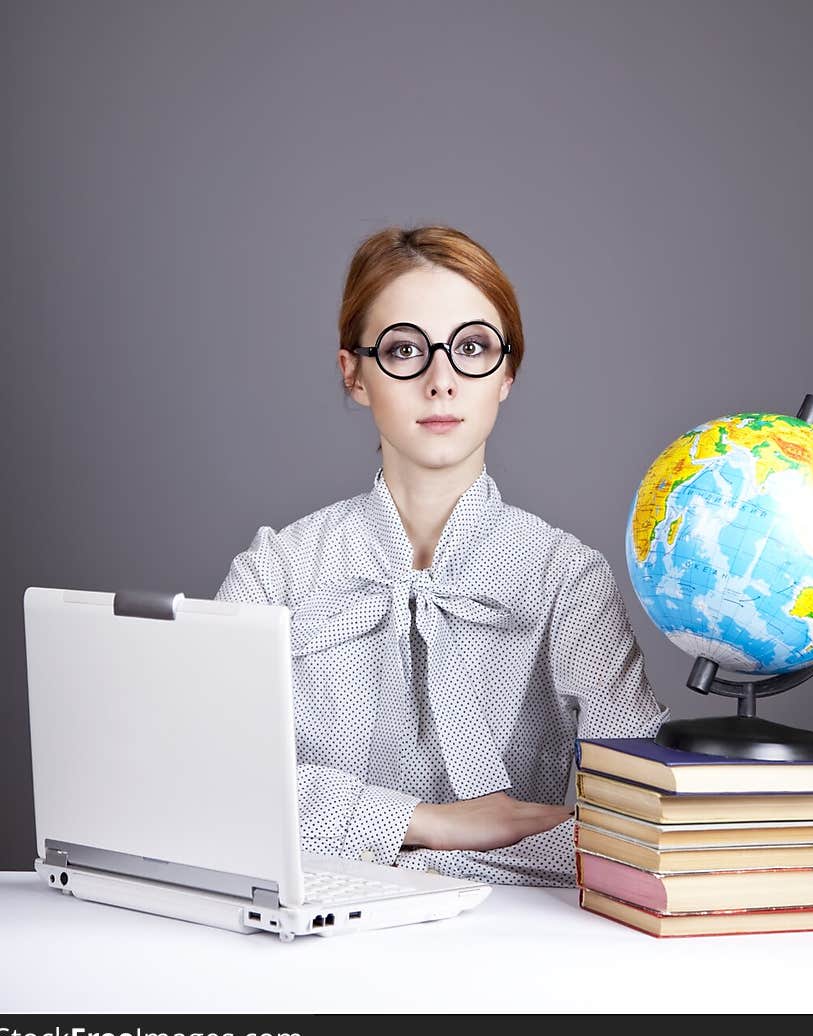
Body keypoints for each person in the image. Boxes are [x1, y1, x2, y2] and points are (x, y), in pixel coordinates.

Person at [215, 224, 669, 886]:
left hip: (516, 948)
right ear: (355, 374)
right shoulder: (276, 572)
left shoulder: (566, 578)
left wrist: (350, 840)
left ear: (507, 372)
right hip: (305, 942)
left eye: (472, 348)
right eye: (403, 350)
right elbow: (203, 783)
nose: (441, 381)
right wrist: (429, 824)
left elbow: (637, 818)